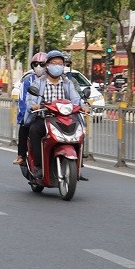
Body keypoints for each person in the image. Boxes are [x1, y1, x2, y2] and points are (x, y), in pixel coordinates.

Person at [25, 50, 88, 180]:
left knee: (81, 130)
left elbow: (76, 99)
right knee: (34, 130)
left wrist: (83, 106)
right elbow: (30, 99)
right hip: (44, 118)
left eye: (60, 63)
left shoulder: (67, 83)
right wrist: (34, 105)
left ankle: (78, 166)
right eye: (54, 63)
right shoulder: (38, 83)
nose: (57, 66)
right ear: (47, 65)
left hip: (64, 118)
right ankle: (38, 166)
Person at [12, 52, 47, 166]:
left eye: (42, 64)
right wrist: (27, 112)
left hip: (52, 114)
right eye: (36, 64)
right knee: (24, 127)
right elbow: (23, 99)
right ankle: (22, 155)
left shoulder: (53, 79)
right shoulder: (28, 81)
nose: (39, 67)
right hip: (34, 113)